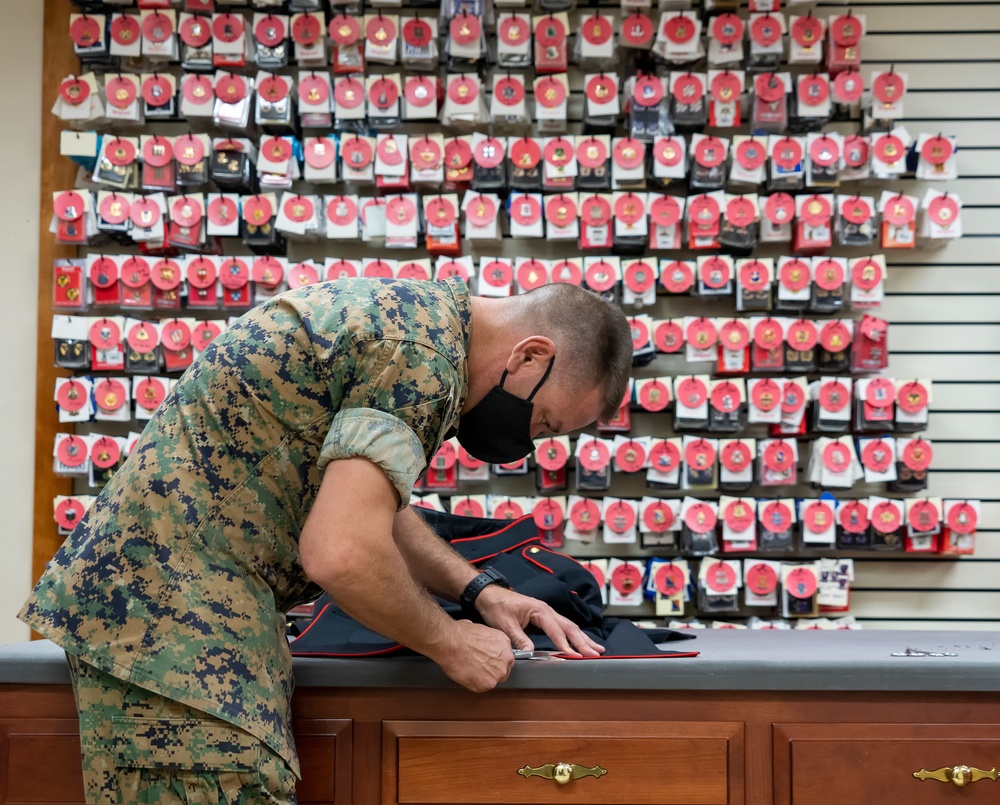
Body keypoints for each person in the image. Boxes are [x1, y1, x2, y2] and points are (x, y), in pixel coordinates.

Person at [20, 276, 633, 803]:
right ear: (530, 357)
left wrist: (479, 591)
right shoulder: (419, 360)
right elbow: (341, 551)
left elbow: (367, 511)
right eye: (544, 420)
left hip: (166, 608)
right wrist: (449, 642)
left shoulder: (418, 326)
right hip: (176, 625)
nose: (530, 439)